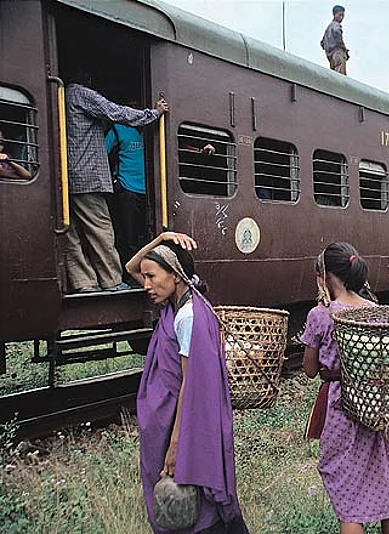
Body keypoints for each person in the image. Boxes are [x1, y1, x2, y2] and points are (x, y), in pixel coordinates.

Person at [127, 232, 249, 534]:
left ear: (175, 276)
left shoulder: (187, 317)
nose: (145, 285)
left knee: (196, 493)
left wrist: (177, 443)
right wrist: (160, 239)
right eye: (145, 278)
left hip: (180, 422)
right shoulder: (177, 304)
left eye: (152, 277)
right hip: (166, 418)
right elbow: (131, 267)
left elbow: (190, 386)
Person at [302, 243, 389, 534]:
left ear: (325, 276)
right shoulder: (375, 311)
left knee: (348, 494)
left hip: (342, 409)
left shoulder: (321, 315)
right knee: (388, 483)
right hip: (379, 408)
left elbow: (310, 370)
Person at [65, 72, 168, 293]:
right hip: (88, 177)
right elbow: (115, 111)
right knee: (101, 229)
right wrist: (153, 113)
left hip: (69, 176)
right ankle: (111, 281)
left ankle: (83, 282)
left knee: (72, 232)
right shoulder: (82, 94)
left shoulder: (62, 95)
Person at [106, 117, 147, 286]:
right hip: (128, 189)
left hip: (151, 191)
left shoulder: (151, 128)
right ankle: (131, 277)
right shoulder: (117, 129)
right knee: (128, 237)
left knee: (144, 237)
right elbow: (101, 152)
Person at [321, 5, 348, 75]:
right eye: (340, 15)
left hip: (330, 55)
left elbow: (322, 43)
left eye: (343, 16)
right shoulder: (336, 25)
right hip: (337, 52)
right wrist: (344, 48)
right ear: (334, 14)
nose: (341, 18)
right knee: (341, 73)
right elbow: (337, 33)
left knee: (334, 75)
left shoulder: (328, 28)